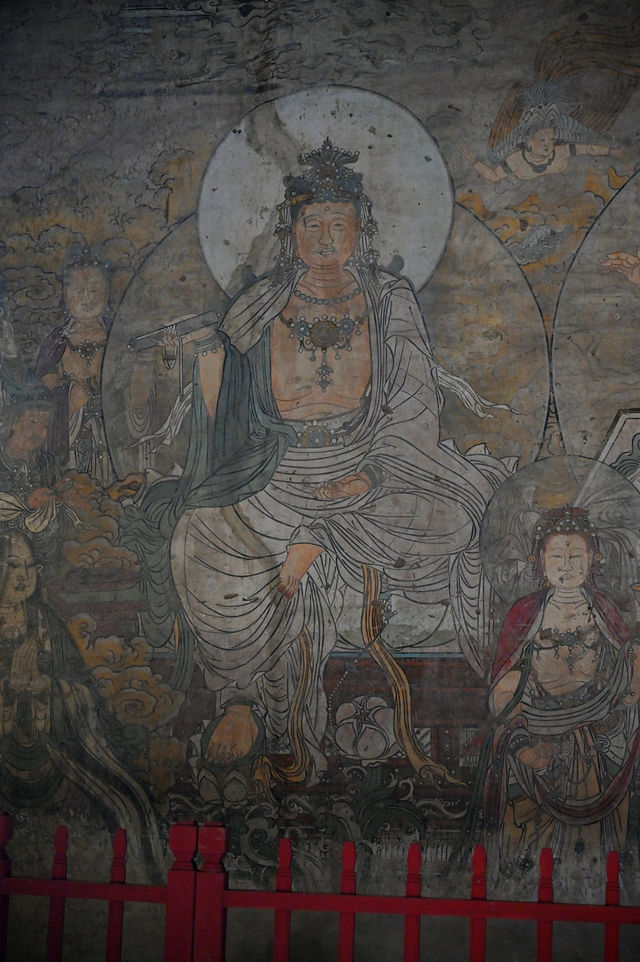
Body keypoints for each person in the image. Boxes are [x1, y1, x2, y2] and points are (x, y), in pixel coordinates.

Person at [153, 138, 513, 782]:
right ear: (289, 232)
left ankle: (320, 535)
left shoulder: (389, 299)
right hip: (277, 472)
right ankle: (240, 697)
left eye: (337, 225)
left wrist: (369, 475)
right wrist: (210, 361)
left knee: (462, 516)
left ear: (359, 231)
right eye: (310, 224)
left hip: (374, 469)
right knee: (196, 536)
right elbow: (226, 418)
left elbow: (415, 403)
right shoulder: (259, 305)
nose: (323, 238)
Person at [0, 529, 165, 875]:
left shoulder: (46, 623)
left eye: (30, 566)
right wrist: (9, 688)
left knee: (122, 806)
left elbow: (81, 686)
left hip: (55, 751)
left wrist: (48, 687)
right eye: (12, 565)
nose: (23, 575)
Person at [484, 507, 640, 871]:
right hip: (539, 730)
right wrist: (522, 740)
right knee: (529, 844)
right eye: (557, 556)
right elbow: (505, 686)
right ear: (540, 560)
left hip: (599, 732)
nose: (566, 567)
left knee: (601, 851)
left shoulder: (605, 611)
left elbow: (627, 677)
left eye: (576, 557)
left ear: (592, 560)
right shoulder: (525, 613)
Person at [36, 248, 115, 485]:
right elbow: (43, 397)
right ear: (66, 294)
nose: (87, 299)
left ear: (107, 292)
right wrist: (72, 395)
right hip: (68, 439)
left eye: (94, 290)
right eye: (79, 291)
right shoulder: (55, 343)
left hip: (109, 438)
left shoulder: (117, 339)